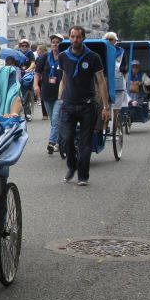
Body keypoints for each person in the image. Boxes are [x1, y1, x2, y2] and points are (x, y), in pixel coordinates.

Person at [58, 25, 110, 186]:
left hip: (87, 105)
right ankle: (71, 165)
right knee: (66, 139)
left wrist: (105, 107)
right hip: (68, 104)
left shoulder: (93, 57)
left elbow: (101, 82)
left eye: (78, 37)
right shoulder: (63, 56)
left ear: (83, 38)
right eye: (72, 37)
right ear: (69, 38)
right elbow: (64, 78)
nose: (75, 40)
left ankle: (83, 175)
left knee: (85, 143)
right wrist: (60, 98)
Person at [35, 34, 64, 154]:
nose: (55, 44)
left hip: (60, 94)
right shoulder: (45, 57)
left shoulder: (65, 57)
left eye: (57, 42)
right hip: (46, 93)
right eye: (53, 42)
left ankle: (52, 143)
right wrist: (36, 85)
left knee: (56, 117)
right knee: (54, 120)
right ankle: (60, 141)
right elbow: (37, 73)